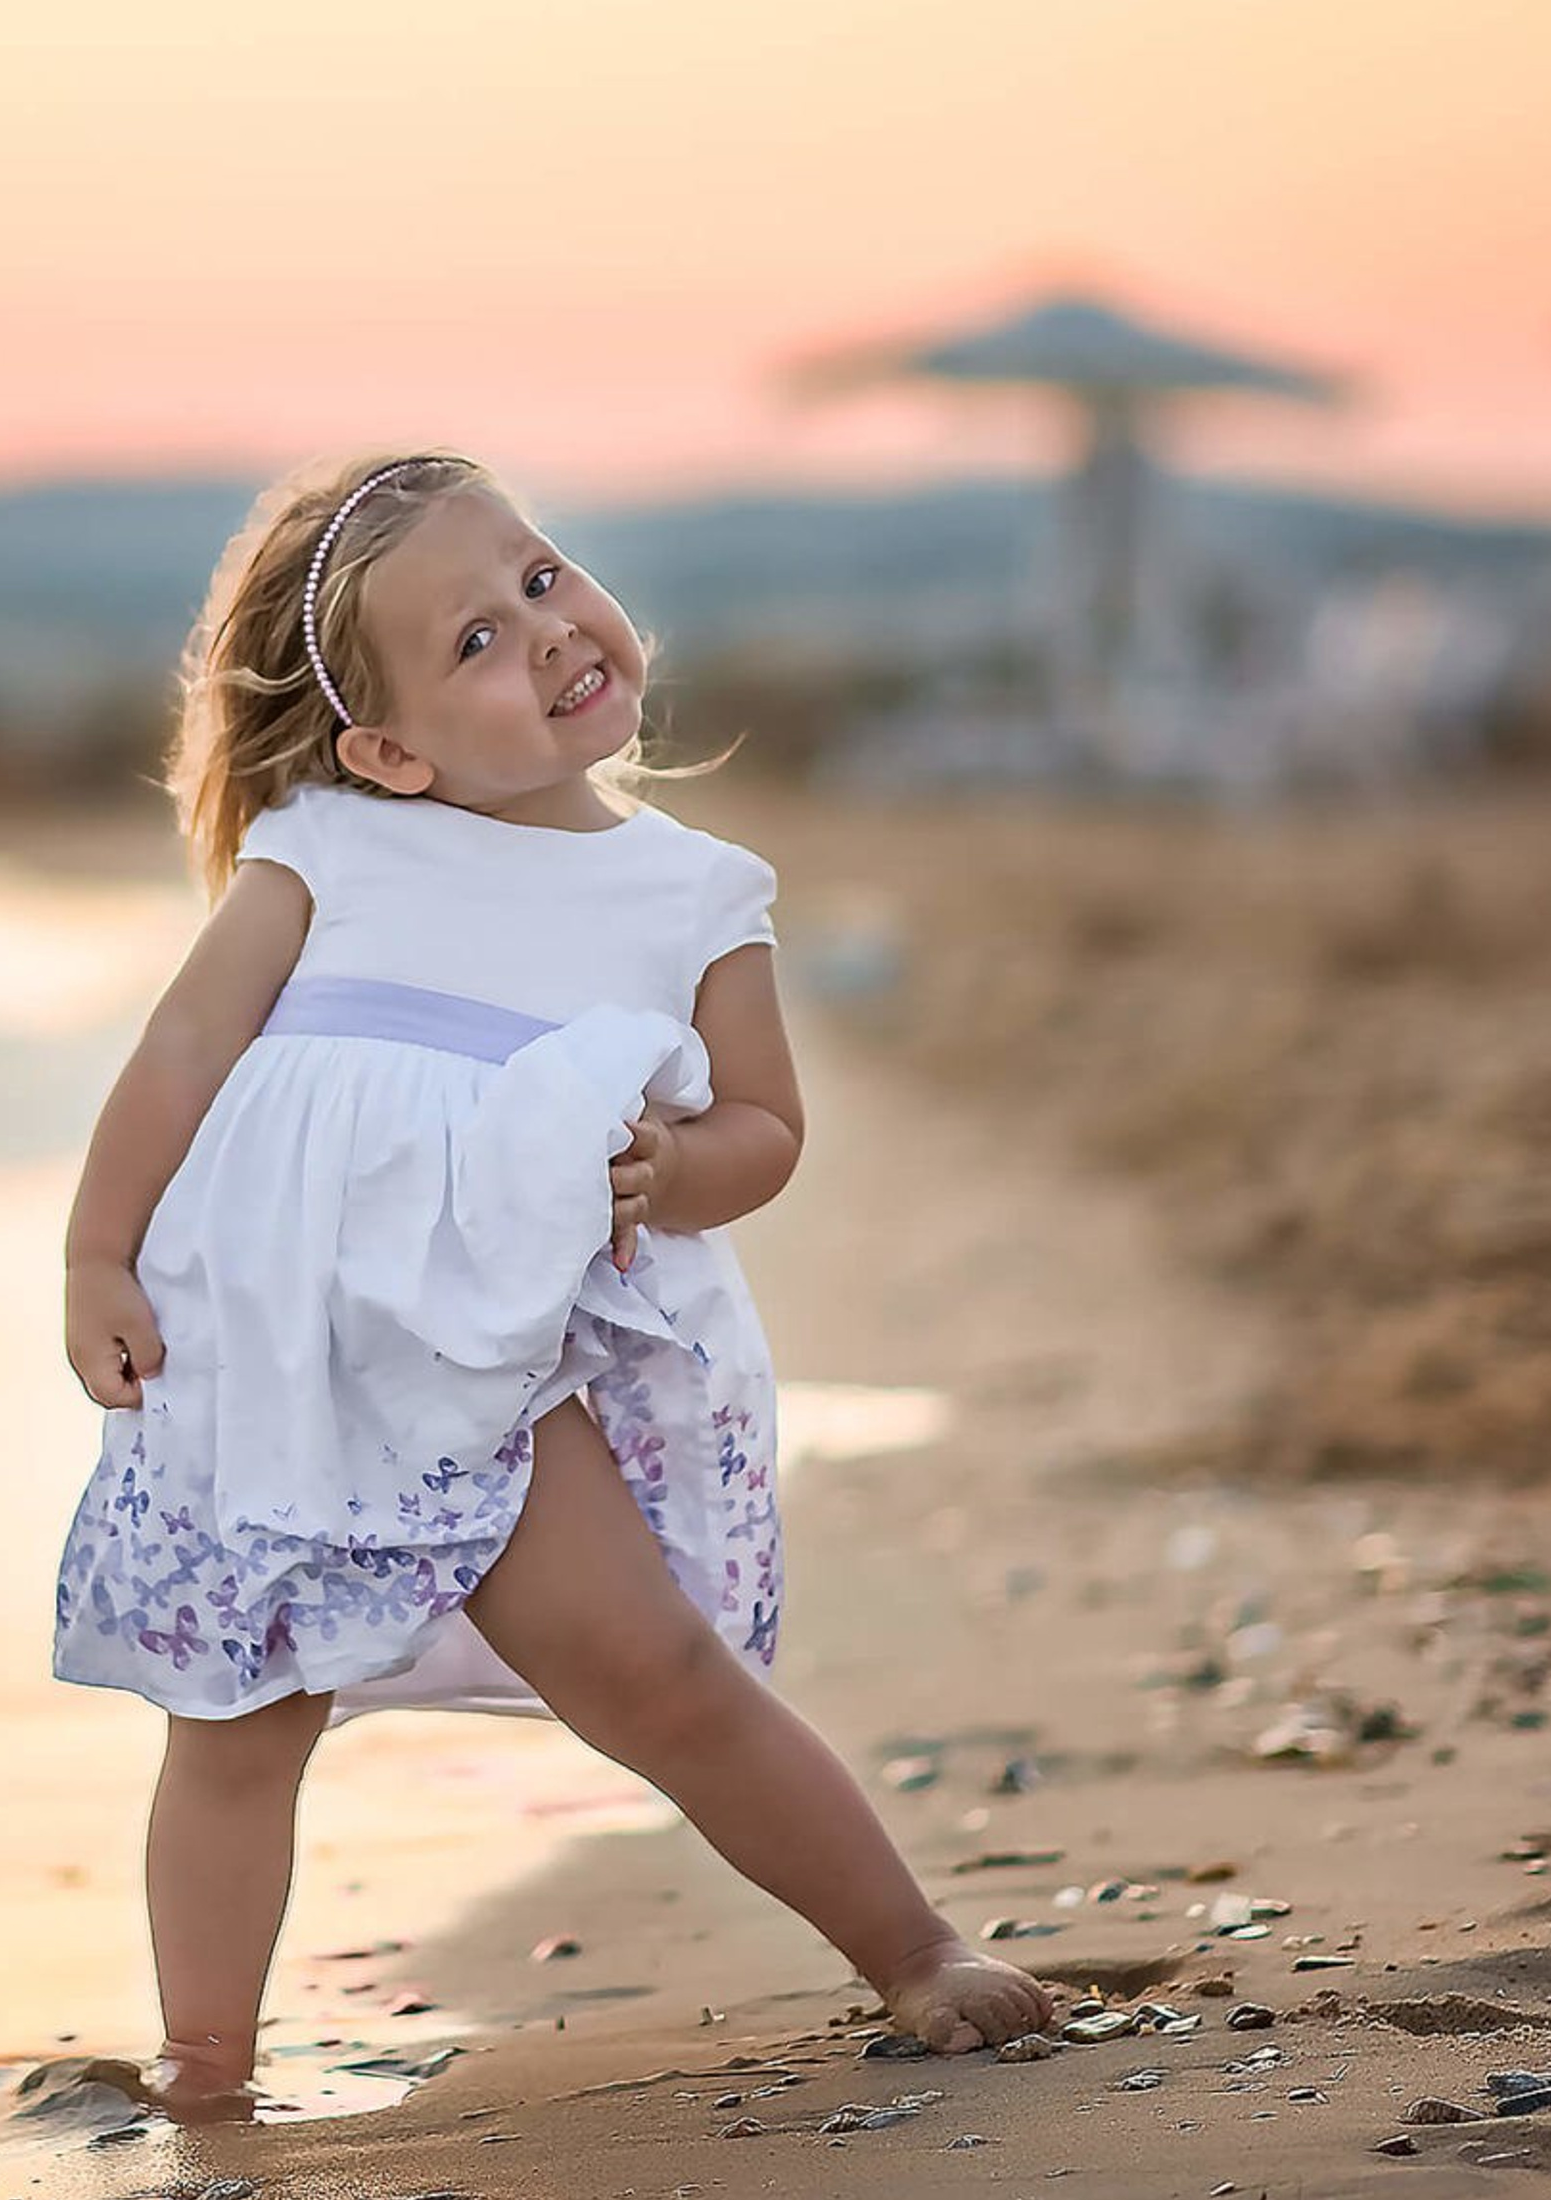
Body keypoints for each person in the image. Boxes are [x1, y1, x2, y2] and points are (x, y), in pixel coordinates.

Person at [52, 451, 1051, 2109]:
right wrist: (100, 1248)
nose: (549, 628)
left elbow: (765, 1126)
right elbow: (183, 1049)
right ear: (385, 748)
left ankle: (914, 1945)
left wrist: (676, 1171)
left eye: (540, 576)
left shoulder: (693, 893)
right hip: (273, 1344)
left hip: (493, 1347)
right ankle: (204, 2060)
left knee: (651, 1670)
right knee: (235, 1720)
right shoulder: (330, 850)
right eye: (475, 641)